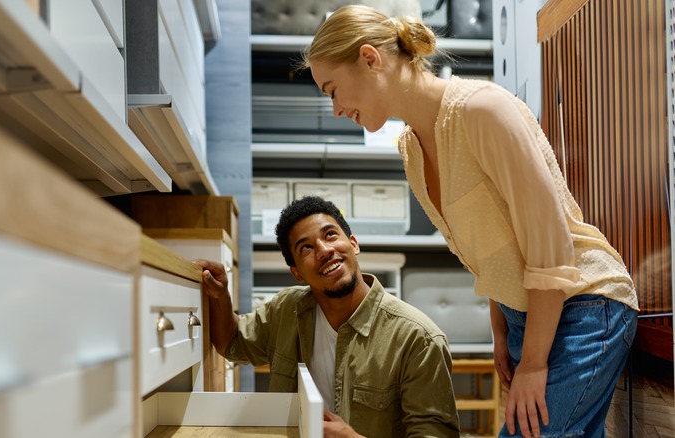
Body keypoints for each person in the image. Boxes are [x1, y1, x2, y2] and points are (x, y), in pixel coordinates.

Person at [298, 5, 639, 438]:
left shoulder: (483, 110)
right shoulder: (411, 149)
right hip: (528, 316)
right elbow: (492, 245)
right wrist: (502, 331)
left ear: (369, 59)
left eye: (332, 90)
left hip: (584, 305)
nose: (335, 109)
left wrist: (533, 361)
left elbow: (550, 246)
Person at [195, 195, 460, 438]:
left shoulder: (419, 338)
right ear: (297, 273)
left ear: (353, 244)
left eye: (330, 235)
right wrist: (221, 296)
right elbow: (233, 342)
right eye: (306, 248)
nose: (324, 250)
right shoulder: (286, 310)